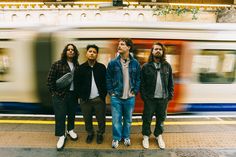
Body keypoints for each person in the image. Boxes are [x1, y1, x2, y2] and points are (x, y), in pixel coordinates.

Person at [106, 38, 141, 148]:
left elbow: (138, 79)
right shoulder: (112, 63)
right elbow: (108, 78)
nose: (119, 46)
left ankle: (126, 137)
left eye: (122, 44)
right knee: (116, 120)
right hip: (116, 96)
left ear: (129, 47)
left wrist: (135, 91)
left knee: (128, 120)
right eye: (119, 44)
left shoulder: (135, 63)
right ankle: (116, 138)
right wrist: (111, 92)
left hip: (130, 97)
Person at [140, 42, 174, 149]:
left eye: (160, 49)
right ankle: (146, 136)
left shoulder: (167, 66)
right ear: (152, 51)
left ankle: (158, 135)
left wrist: (170, 95)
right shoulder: (146, 66)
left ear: (163, 52)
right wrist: (144, 97)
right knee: (147, 118)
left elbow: (170, 82)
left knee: (161, 119)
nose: (158, 51)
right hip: (150, 99)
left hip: (163, 98)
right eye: (156, 49)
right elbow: (142, 84)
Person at [47, 43, 79, 151]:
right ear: (65, 52)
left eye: (72, 50)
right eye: (68, 49)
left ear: (75, 52)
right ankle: (61, 136)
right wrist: (54, 93)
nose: (70, 51)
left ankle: (70, 130)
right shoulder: (57, 64)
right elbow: (50, 80)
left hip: (73, 94)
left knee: (71, 114)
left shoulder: (77, 65)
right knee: (60, 116)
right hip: (60, 95)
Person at [74, 44, 107, 144]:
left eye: (94, 52)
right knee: (87, 119)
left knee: (101, 120)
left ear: (97, 55)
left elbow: (105, 83)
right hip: (85, 100)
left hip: (98, 99)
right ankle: (90, 133)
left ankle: (100, 134)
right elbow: (77, 84)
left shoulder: (101, 67)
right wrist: (81, 96)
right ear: (86, 53)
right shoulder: (80, 68)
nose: (92, 53)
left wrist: (103, 95)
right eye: (90, 51)